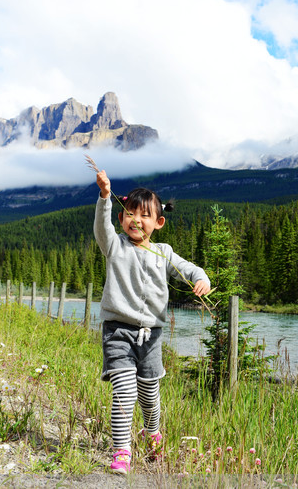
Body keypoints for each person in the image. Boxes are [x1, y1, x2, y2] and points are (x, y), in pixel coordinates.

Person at [94, 170, 211, 475]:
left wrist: (201, 279)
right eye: (129, 213)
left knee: (149, 392)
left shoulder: (164, 253)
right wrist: (105, 196)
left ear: (158, 222)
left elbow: (188, 269)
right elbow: (101, 227)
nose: (136, 219)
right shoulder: (114, 246)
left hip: (152, 337)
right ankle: (122, 451)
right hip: (117, 332)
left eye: (144, 215)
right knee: (124, 391)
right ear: (121, 220)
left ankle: (152, 432)